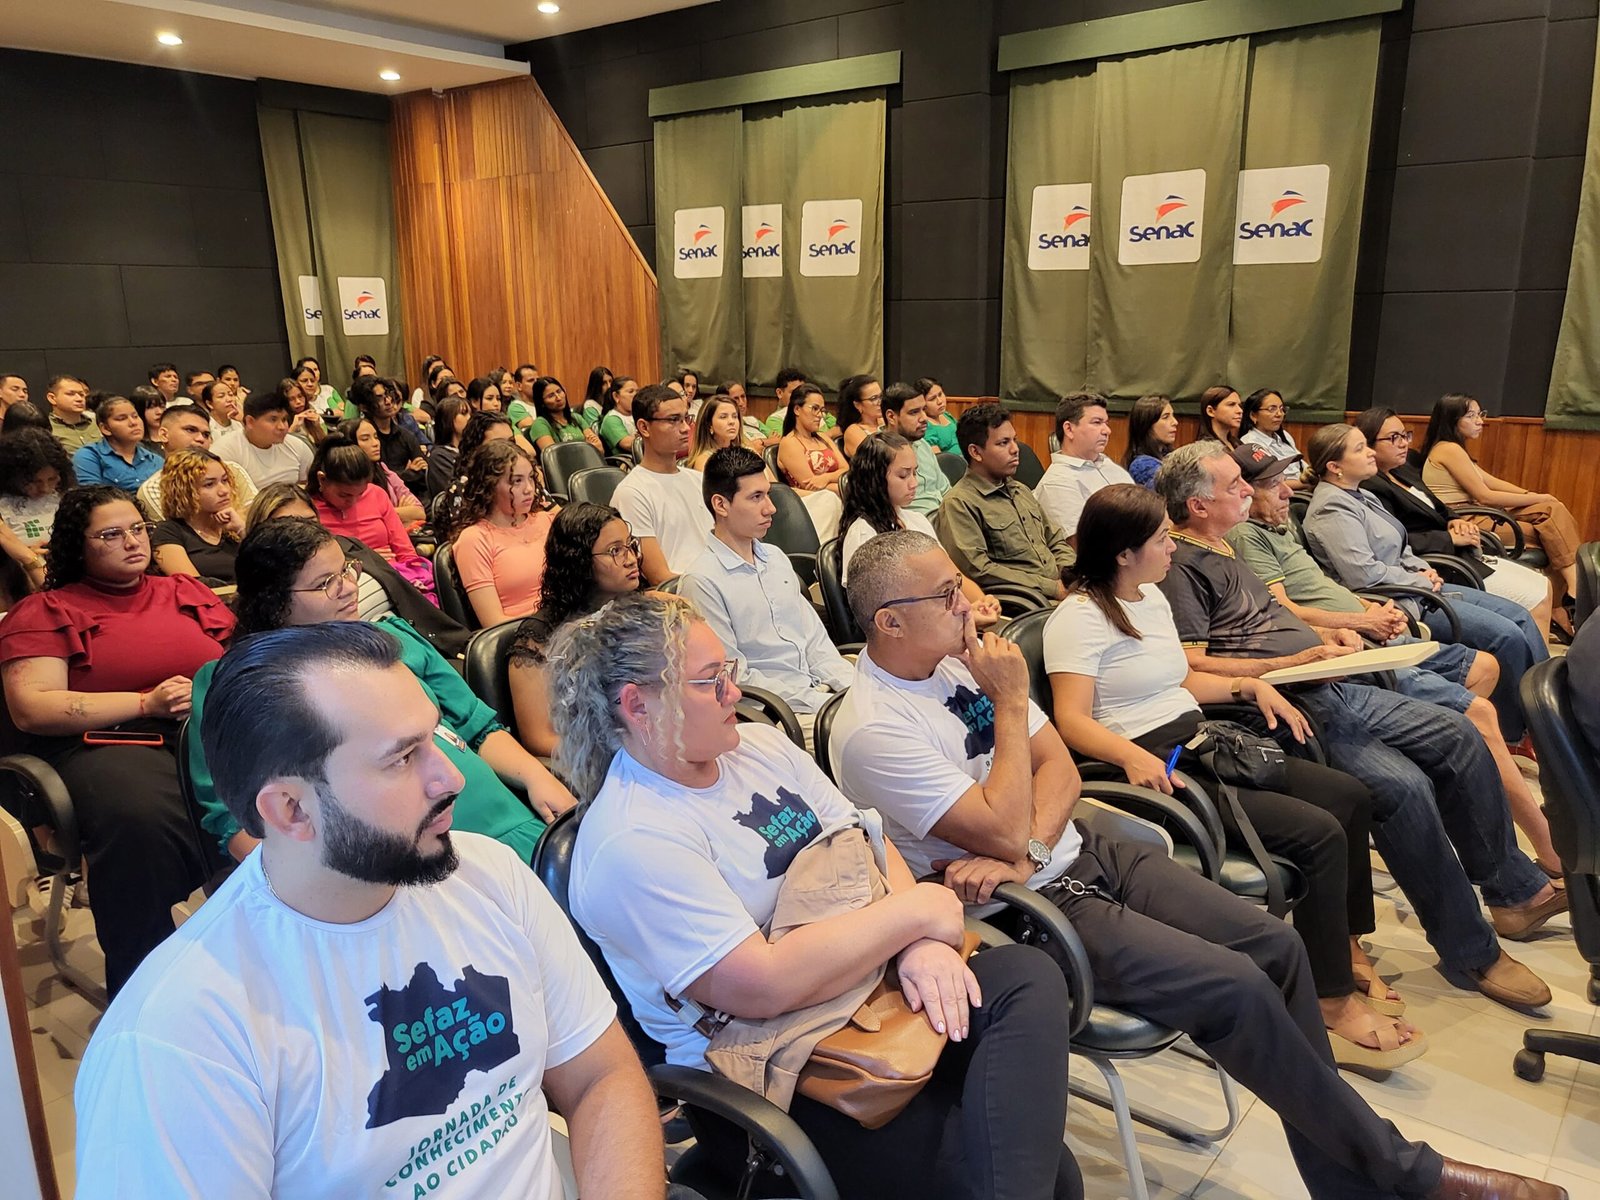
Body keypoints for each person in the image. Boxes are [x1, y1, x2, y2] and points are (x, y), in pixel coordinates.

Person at [829, 528, 1566, 1200]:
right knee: (1237, 988)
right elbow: (997, 824)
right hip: (1023, 914)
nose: (969, 604)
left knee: (1276, 945)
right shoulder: (876, 728)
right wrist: (1014, 710)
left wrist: (1030, 845)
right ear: (890, 622)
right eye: (947, 594)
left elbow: (1063, 771)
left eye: (960, 585)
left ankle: (1357, 1183)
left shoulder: (961, 667)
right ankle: (1411, 1175)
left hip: (1073, 854)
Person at [74, 621, 661, 1200]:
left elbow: (599, 1077)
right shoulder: (176, 1038)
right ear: (291, 810)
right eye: (402, 758)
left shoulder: (489, 875)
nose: (451, 778)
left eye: (434, 739)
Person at [553, 593, 1083, 1200]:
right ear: (637, 705)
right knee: (1049, 1177)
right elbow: (761, 984)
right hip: (775, 1072)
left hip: (865, 990)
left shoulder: (760, 747)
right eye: (710, 681)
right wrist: (917, 913)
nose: (734, 692)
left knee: (1026, 976)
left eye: (729, 671)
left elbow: (867, 845)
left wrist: (920, 943)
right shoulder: (631, 839)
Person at [1154, 442, 1566, 1004]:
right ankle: (1471, 950)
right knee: (1404, 787)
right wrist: (1293, 661)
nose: (1249, 488)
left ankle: (1513, 894)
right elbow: (1192, 665)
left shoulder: (1225, 544)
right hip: (1281, 709)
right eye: (1234, 485)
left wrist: (1331, 636)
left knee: (1462, 734)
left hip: (1328, 681)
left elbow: (1269, 622)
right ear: (1198, 505)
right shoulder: (1180, 567)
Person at [1044, 484, 1421, 1067]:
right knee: (1317, 834)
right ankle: (1330, 1000)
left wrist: (1247, 685)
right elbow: (1070, 720)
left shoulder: (1149, 597)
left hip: (1197, 737)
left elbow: (1181, 682)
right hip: (1149, 763)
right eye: (1162, 539)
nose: (1173, 547)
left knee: (1349, 795)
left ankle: (1342, 948)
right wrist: (1130, 756)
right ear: (1123, 553)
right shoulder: (1078, 618)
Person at [1228, 444, 1565, 881]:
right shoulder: (1250, 535)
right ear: (1241, 493)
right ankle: (1548, 850)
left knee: (1485, 668)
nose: (1287, 491)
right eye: (1271, 484)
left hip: (1375, 621)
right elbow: (1285, 609)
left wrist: (1373, 606)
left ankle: (1464, 782)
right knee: (1478, 713)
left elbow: (1331, 584)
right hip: (1348, 651)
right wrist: (1359, 620)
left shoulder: (1281, 527)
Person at [186, 518, 572, 866]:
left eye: (346, 570)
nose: (348, 588)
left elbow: (477, 727)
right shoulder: (239, 684)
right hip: (400, 859)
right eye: (325, 583)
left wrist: (536, 778)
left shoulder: (390, 638)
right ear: (274, 603)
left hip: (505, 821)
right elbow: (236, 824)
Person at [0, 486, 233, 994]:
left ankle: (264, 953)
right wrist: (145, 703)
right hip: (109, 744)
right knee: (141, 818)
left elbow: (238, 659)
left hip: (209, 728)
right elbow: (32, 706)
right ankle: (149, 988)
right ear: (76, 545)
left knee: (287, 784)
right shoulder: (47, 610)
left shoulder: (182, 591)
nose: (132, 542)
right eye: (110, 534)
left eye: (138, 529)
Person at [1300, 423, 1549, 745]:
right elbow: (1362, 574)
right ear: (1335, 467)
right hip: (1401, 600)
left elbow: (1401, 545)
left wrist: (1423, 568)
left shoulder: (1362, 494)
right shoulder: (1331, 507)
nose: (1371, 452)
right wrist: (1415, 578)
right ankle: (1515, 736)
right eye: (1360, 448)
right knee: (1506, 636)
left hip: (1420, 587)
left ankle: (1544, 716)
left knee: (1520, 616)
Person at [679, 448, 853, 748]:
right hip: (774, 713)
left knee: (893, 712)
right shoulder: (702, 581)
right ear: (720, 504)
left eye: (768, 495)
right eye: (756, 497)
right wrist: (823, 703)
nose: (770, 508)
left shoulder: (775, 558)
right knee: (870, 738)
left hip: (818, 693)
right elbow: (734, 675)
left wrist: (851, 688)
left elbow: (814, 639)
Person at [1356, 408, 1552, 633]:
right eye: (1393, 438)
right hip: (1438, 565)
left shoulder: (1402, 470)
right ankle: (1532, 656)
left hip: (1460, 556)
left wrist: (1455, 521)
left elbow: (1438, 506)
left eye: (1405, 435)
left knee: (1544, 585)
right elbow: (1394, 541)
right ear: (1368, 445)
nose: (1403, 443)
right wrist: (1449, 538)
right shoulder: (1371, 487)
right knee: (1537, 598)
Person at [247, 484, 469, 657]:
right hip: (371, 658)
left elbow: (407, 596)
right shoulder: (275, 590)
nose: (304, 532)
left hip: (423, 641)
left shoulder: (350, 546)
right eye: (288, 525)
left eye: (310, 522)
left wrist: (456, 642)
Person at [1422, 393, 1583, 622]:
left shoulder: (1455, 449)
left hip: (1478, 512)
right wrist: (1540, 498)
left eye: (1480, 414)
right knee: (1552, 533)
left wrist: (1533, 496)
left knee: (1552, 512)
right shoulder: (1448, 449)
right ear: (1452, 420)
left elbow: (1491, 482)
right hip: (1467, 520)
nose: (1480, 421)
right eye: (1471, 416)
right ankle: (1569, 597)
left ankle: (1568, 597)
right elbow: (1485, 496)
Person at [508, 503, 642, 756]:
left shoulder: (634, 609)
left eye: (630, 545)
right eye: (615, 551)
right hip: (596, 759)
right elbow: (538, 738)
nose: (631, 559)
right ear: (579, 562)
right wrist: (620, 755)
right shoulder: (538, 638)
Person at [839, 432, 1001, 625]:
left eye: (915, 473)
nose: (914, 483)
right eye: (903, 475)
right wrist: (961, 618)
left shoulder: (917, 520)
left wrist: (981, 603)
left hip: (942, 621)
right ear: (875, 479)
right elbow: (882, 614)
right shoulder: (864, 534)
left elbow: (952, 574)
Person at [935, 402, 1073, 608]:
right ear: (976, 452)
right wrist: (1053, 588)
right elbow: (979, 570)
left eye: (1014, 440)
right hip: (1026, 602)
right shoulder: (959, 503)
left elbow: (1055, 540)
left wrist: (1073, 575)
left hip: (1060, 593)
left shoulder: (1021, 490)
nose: (1015, 449)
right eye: (1003, 443)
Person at [445, 440, 560, 627]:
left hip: (570, 622)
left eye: (531, 478)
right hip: (524, 634)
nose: (529, 489)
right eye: (517, 481)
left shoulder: (548, 521)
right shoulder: (474, 540)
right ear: (489, 487)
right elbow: (493, 623)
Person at [307, 435, 435, 600]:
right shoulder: (309, 511)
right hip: (345, 590)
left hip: (396, 578)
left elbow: (406, 552)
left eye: (360, 494)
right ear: (322, 479)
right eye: (344, 495)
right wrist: (368, 559)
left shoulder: (376, 494)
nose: (353, 501)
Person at [611, 384, 711, 585]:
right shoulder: (632, 493)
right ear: (644, 427)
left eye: (686, 418)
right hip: (681, 592)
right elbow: (659, 577)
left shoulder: (699, 480)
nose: (685, 428)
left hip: (716, 582)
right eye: (674, 420)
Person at [1033, 393, 1132, 544]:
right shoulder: (1057, 483)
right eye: (1097, 422)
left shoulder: (1107, 464)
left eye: (1106, 423)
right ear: (1069, 429)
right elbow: (1080, 547)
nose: (1107, 430)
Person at [138, 404, 257, 522]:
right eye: (191, 430)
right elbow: (176, 530)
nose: (201, 439)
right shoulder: (154, 488)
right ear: (164, 435)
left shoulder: (231, 469)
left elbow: (257, 514)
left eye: (206, 435)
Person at [151, 449, 243, 583]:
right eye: (209, 484)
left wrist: (242, 530)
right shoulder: (168, 532)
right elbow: (191, 585)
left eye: (224, 480)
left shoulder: (234, 527)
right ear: (184, 491)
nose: (224, 490)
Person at [215, 388, 315, 487]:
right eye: (273, 419)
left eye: (284, 419)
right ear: (250, 422)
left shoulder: (297, 446)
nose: (282, 427)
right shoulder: (225, 451)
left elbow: (309, 485)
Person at [0, 427, 71, 560]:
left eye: (52, 479)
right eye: (34, 481)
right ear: (12, 476)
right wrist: (24, 556)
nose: (45, 488)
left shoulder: (68, 499)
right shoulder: (4, 506)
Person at [350, 375, 427, 496]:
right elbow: (373, 479)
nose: (388, 401)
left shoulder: (406, 435)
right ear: (364, 407)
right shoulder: (361, 438)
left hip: (411, 496)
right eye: (379, 398)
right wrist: (407, 473)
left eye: (387, 394)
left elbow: (423, 471)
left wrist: (399, 475)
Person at [881, 381, 951, 515]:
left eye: (923, 409)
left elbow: (946, 490)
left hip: (943, 515)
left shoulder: (922, 444)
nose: (924, 418)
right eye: (914, 412)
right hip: (912, 522)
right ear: (891, 417)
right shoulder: (877, 450)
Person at [344, 416, 426, 526]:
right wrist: (400, 512)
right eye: (365, 439)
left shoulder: (384, 471)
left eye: (376, 437)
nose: (375, 443)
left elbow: (420, 512)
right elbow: (367, 518)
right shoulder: (346, 481)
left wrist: (391, 513)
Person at [72, 394, 163, 492]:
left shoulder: (156, 461)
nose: (133, 422)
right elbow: (91, 496)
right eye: (122, 418)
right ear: (105, 428)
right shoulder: (90, 456)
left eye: (135, 416)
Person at [777, 382, 846, 494]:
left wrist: (826, 478)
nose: (820, 415)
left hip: (838, 493)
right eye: (815, 408)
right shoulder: (789, 442)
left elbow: (846, 471)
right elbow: (810, 485)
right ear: (797, 409)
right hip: (810, 500)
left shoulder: (823, 438)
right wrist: (844, 489)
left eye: (822, 410)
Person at [527, 376, 603, 454]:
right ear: (542, 403)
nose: (558, 398)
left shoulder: (576, 417)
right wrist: (586, 447)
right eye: (551, 396)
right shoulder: (540, 424)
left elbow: (599, 448)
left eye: (559, 391)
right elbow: (553, 455)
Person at [1122, 393, 1178, 488]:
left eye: (1173, 415)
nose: (1175, 422)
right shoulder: (1142, 465)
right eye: (1165, 417)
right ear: (1146, 424)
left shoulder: (1169, 456)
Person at [683, 393, 743, 471]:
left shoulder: (746, 452)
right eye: (723, 417)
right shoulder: (704, 462)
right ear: (709, 424)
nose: (732, 422)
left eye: (735, 416)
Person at [44, 374, 99, 454]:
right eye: (71, 394)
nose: (79, 399)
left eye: (81, 395)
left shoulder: (98, 423)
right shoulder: (46, 429)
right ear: (52, 398)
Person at [1240, 388, 1299, 462]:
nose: (1279, 414)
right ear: (1253, 415)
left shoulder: (1285, 436)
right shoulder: (1250, 444)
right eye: (1272, 409)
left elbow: (1301, 463)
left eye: (1281, 409)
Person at [836, 374, 883, 459]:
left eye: (881, 396)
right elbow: (872, 460)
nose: (880, 402)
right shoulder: (853, 431)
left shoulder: (886, 421)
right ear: (858, 405)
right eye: (873, 398)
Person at [599, 375, 639, 455]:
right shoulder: (611, 419)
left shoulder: (639, 413)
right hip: (628, 461)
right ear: (616, 396)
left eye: (637, 392)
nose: (636, 395)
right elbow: (628, 444)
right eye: (631, 391)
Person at [919, 376, 958, 455]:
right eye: (932, 399)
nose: (939, 401)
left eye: (940, 394)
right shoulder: (926, 426)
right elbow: (939, 460)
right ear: (922, 404)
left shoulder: (946, 415)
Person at [1196, 385, 1244, 449]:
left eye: (1240, 405)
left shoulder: (1238, 444)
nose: (1240, 410)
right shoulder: (1203, 449)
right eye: (1231, 404)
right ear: (1210, 411)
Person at [724, 379, 765, 448]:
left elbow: (777, 439)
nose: (741, 403)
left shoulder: (753, 421)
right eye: (736, 399)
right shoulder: (728, 428)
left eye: (743, 397)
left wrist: (762, 441)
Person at [133, 385, 166, 453]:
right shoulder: (136, 446)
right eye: (151, 407)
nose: (159, 412)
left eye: (162, 406)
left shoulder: (174, 438)